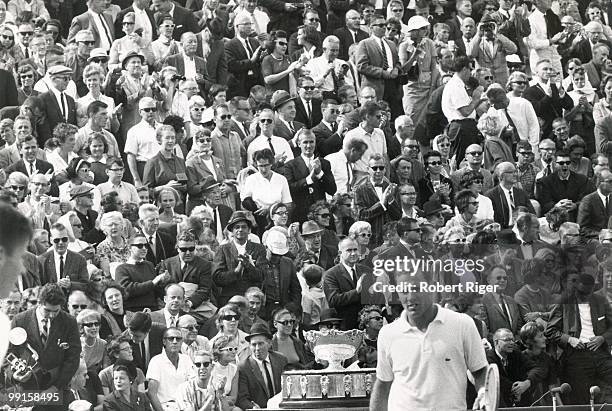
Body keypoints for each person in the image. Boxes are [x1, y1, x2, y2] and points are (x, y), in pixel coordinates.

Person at [370, 269, 488, 411]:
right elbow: (383, 384)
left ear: (431, 287)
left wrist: (483, 393)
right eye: (403, 291)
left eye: (416, 288)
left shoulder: (462, 324)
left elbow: (480, 371)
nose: (410, 297)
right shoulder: (388, 333)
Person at [9, 284, 81, 410]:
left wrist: (54, 388)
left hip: (57, 390)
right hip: (27, 391)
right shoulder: (19, 320)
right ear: (39, 303)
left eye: (56, 311)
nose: (52, 315)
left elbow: (73, 359)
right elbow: (7, 354)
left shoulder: (69, 322)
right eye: (47, 310)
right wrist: (14, 374)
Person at [545, 273, 612, 404]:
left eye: (587, 293)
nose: (584, 296)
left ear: (593, 289)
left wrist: (602, 338)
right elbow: (550, 331)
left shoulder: (600, 301)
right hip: (576, 354)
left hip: (600, 353)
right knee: (581, 395)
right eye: (581, 293)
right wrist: (570, 339)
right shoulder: (564, 302)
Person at [281, 128, 337, 223]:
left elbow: (332, 190)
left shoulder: (324, 163)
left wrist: (320, 173)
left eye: (311, 142)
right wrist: (307, 180)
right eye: (305, 142)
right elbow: (290, 188)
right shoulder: (290, 165)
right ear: (299, 144)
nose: (309, 146)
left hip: (322, 214)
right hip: (301, 215)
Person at [212, 211, 266, 307]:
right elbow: (217, 278)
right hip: (229, 298)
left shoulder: (259, 248)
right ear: (232, 231)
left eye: (244, 227)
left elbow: (262, 276)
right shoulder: (223, 249)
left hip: (252, 300)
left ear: (249, 230)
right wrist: (236, 271)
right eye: (237, 227)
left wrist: (248, 265)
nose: (240, 230)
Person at [441, 56, 485, 164]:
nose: (471, 73)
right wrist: (476, 98)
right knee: (461, 161)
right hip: (461, 128)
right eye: (470, 69)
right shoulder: (455, 85)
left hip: (465, 127)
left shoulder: (459, 85)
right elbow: (465, 112)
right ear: (464, 69)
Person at [236, 323, 288, 410]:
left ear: (269, 343)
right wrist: (253, 407)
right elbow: (242, 398)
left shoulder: (281, 360)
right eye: (253, 344)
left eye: (260, 344)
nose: (257, 348)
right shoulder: (243, 367)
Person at [322, 238, 368, 330]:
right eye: (349, 250)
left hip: (366, 325)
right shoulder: (331, 274)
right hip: (344, 325)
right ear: (340, 253)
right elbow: (333, 300)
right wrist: (356, 291)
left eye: (355, 249)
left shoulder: (366, 270)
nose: (353, 253)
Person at [147, 326, 196, 410]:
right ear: (164, 341)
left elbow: (194, 385)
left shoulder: (186, 359)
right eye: (171, 339)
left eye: (178, 339)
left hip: (185, 406)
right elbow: (152, 393)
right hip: (164, 406)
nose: (175, 342)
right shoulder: (156, 361)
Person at [578, 169, 612, 239]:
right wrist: (601, 234)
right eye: (610, 181)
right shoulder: (588, 201)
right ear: (599, 183)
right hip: (595, 241)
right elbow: (582, 229)